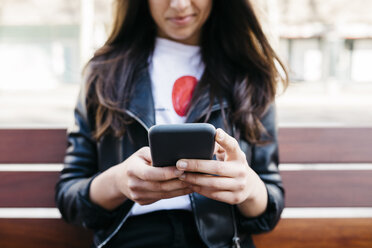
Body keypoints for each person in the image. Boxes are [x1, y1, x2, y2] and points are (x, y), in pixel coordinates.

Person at [55, 0, 288, 247]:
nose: (179, 5)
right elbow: (70, 198)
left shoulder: (248, 73)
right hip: (130, 239)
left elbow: (269, 206)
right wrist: (117, 182)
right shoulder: (103, 73)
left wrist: (248, 188)